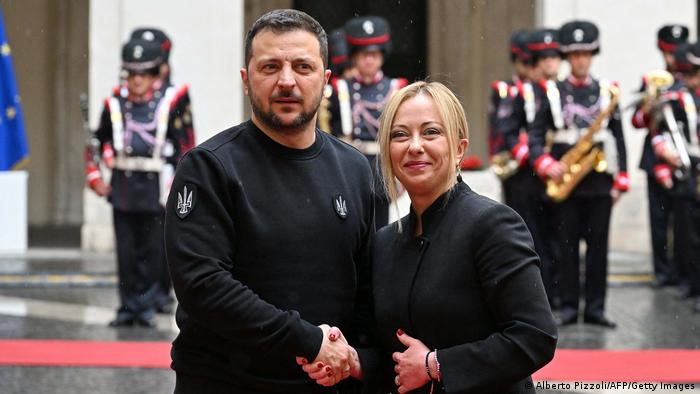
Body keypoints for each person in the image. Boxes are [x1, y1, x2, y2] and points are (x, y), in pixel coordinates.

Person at [164, 9, 376, 393]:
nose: (287, 81)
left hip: (329, 382)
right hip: (226, 382)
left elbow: (369, 286)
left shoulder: (356, 169)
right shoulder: (209, 168)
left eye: (303, 66)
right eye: (270, 67)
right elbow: (204, 287)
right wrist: (308, 341)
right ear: (246, 80)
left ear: (326, 80)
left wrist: (355, 359)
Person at [369, 81, 556, 393]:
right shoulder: (385, 242)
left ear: (459, 148)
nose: (415, 146)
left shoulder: (491, 224)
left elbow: (535, 336)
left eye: (430, 132)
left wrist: (436, 365)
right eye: (400, 135)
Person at [84, 38, 190, 327]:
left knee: (153, 251)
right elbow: (97, 140)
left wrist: (176, 187)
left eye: (143, 74)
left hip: (156, 187)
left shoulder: (168, 103)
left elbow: (183, 146)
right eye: (131, 74)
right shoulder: (114, 103)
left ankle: (145, 306)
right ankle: (127, 306)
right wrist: (96, 178)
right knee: (126, 253)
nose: (137, 80)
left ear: (155, 75)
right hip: (123, 186)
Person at [529, 20, 628, 328]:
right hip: (566, 182)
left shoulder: (607, 91)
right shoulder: (554, 92)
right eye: (575, 55)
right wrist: (545, 163)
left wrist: (622, 176)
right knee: (567, 247)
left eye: (586, 54)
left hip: (598, 183)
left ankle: (596, 308)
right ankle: (569, 307)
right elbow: (535, 135)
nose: (581, 60)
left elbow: (619, 136)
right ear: (568, 58)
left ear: (592, 55)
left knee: (599, 249)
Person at [129, 27, 196, 314]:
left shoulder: (174, 95)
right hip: (138, 177)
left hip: (167, 172)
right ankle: (141, 294)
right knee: (138, 240)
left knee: (162, 236)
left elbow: (185, 137)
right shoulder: (135, 94)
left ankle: (160, 292)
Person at [327, 15, 408, 227]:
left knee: (380, 231)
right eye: (363, 55)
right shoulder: (339, 89)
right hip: (349, 167)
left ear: (382, 56)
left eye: (374, 54)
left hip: (382, 169)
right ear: (354, 57)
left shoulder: (396, 88)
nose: (369, 60)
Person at [631, 24, 689, 289]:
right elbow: (637, 121)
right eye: (667, 52)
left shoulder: (690, 78)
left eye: (675, 52)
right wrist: (648, 107)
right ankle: (662, 272)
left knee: (684, 222)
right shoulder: (651, 79)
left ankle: (683, 271)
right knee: (658, 220)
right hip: (656, 159)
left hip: (683, 158)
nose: (670, 58)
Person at [646, 42, 700, 312]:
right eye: (688, 74)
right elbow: (656, 129)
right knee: (686, 232)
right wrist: (664, 154)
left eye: (695, 73)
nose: (691, 80)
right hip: (687, 169)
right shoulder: (676, 99)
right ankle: (691, 283)